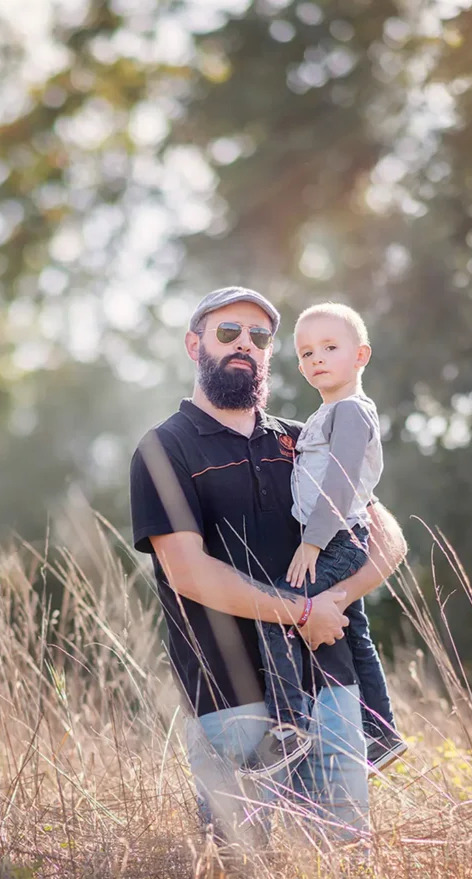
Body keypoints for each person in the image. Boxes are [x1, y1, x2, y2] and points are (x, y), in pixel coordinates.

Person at [129, 286, 406, 846]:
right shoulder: (163, 450)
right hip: (229, 700)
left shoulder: (306, 439)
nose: (245, 344)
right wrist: (301, 612)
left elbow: (387, 539)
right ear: (194, 345)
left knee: (344, 862)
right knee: (241, 872)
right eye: (228, 332)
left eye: (259, 336)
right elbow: (188, 572)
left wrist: (333, 601)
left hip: (331, 690)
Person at [241, 302, 406, 778]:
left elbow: (341, 481)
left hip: (336, 539)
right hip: (336, 536)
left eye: (330, 348)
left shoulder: (350, 412)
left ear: (361, 355)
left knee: (277, 609)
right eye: (307, 353)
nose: (317, 359)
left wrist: (312, 543)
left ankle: (287, 727)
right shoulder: (327, 413)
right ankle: (382, 732)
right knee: (354, 630)